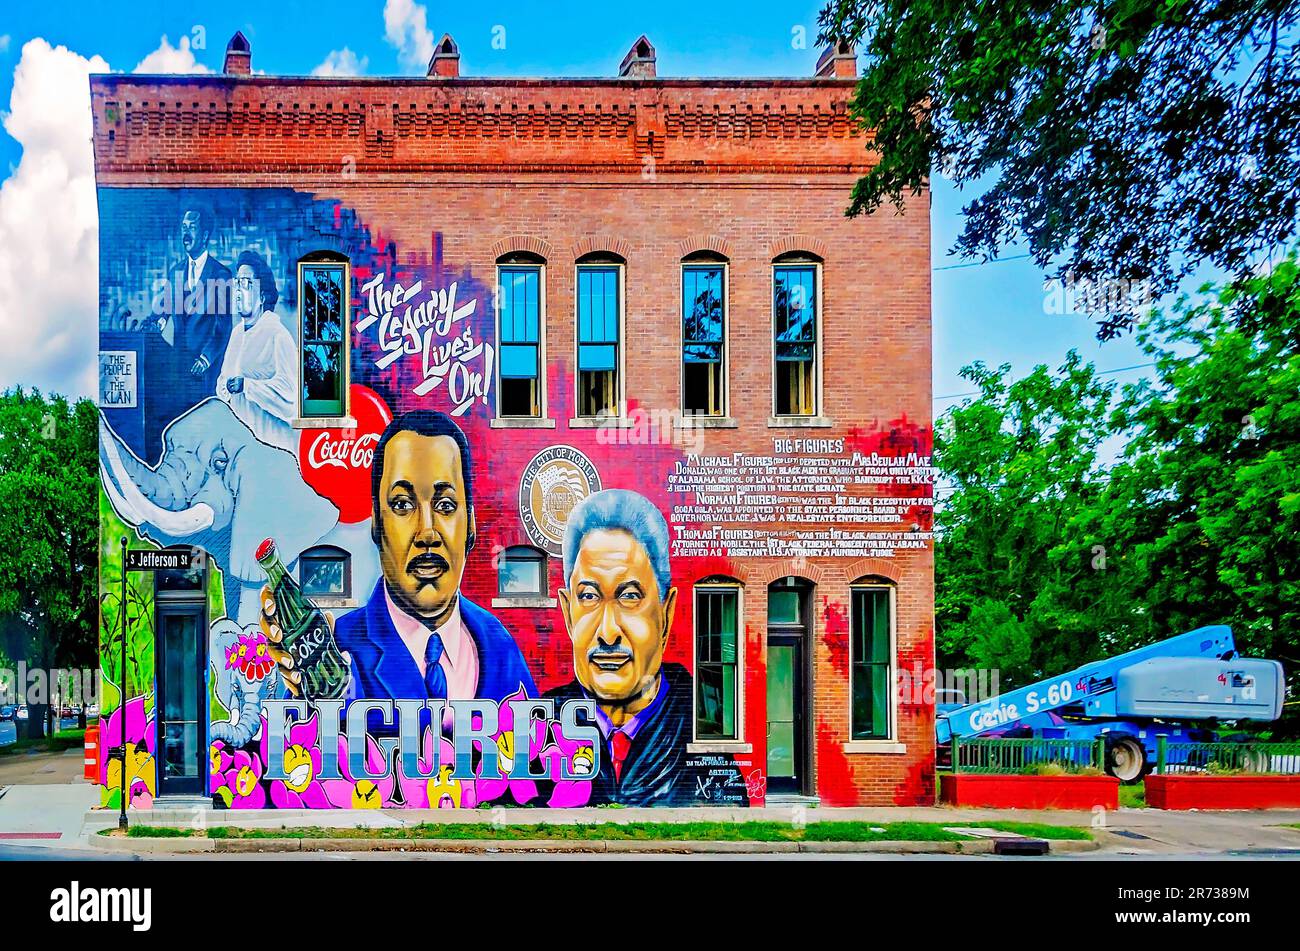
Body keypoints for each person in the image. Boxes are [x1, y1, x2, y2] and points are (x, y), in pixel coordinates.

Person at [266, 411, 536, 728]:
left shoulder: (497, 646)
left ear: (470, 525)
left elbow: (536, 760)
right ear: (377, 524)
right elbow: (297, 762)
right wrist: (311, 701)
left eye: (446, 505)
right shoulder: (336, 650)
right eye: (402, 505)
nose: (427, 534)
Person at [545, 488, 747, 805]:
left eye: (629, 597)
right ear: (569, 613)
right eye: (588, 597)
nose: (608, 633)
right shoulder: (537, 727)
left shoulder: (701, 726)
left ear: (665, 614)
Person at [145, 205, 232, 451]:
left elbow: (223, 328)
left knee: (205, 433)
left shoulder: (221, 275)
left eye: (192, 227)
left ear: (204, 235)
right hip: (179, 369)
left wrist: (205, 359)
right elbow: (166, 312)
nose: (186, 233)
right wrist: (156, 322)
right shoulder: (175, 273)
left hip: (205, 372)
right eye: (184, 227)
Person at [216, 250, 297, 452]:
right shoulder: (236, 335)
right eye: (237, 283)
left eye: (246, 284)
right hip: (240, 448)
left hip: (273, 447)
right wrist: (225, 387)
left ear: (262, 296)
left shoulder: (277, 335)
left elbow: (292, 398)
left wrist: (247, 386)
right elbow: (223, 382)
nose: (238, 291)